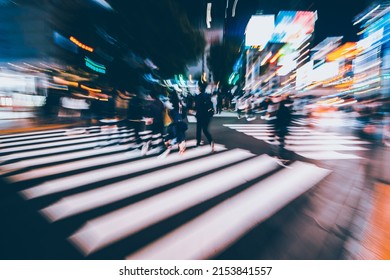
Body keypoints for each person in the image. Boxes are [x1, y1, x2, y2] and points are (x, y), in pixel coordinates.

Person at [195, 82, 214, 151]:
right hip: (207, 115)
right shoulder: (207, 96)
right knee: (205, 130)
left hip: (200, 115)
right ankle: (211, 141)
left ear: (200, 88)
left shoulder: (198, 96)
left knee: (199, 129)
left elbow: (196, 106)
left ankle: (198, 143)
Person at [273, 95, 293, 161]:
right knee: (282, 140)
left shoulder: (279, 110)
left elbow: (277, 119)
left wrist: (275, 128)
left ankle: (281, 154)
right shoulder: (287, 109)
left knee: (281, 140)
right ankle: (282, 153)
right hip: (284, 126)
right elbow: (289, 117)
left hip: (281, 126)